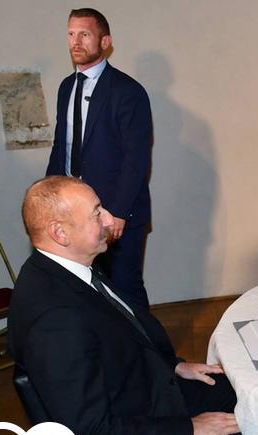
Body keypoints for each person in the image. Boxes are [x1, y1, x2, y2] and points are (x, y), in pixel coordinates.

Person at [8, 177, 258, 435]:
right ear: (60, 233)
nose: (110, 219)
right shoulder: (55, 320)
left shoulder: (63, 270)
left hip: (140, 396)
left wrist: (174, 366)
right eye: (96, 213)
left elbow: (121, 340)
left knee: (252, 398)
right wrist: (187, 429)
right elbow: (90, 431)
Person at [46, 8, 153, 308]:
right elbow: (62, 148)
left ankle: (152, 354)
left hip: (115, 215)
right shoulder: (66, 87)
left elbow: (137, 158)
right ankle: (106, 355)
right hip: (74, 213)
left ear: (105, 42)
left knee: (125, 291)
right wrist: (50, 199)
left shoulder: (127, 91)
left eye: (85, 35)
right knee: (88, 296)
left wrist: (117, 212)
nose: (75, 42)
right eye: (71, 34)